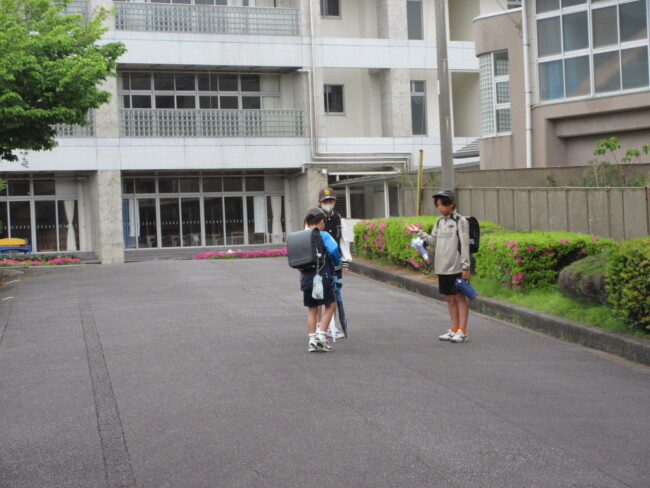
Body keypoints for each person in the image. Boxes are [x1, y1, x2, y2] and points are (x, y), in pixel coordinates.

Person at [406, 189, 471, 343]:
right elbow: (433, 241)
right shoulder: (439, 221)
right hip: (442, 266)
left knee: (459, 297)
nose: (440, 208)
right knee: (449, 298)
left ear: (452, 204)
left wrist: (465, 267)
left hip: (456, 266)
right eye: (438, 205)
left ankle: (463, 331)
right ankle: (454, 329)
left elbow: (464, 244)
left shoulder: (460, 221)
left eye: (442, 204)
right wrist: (419, 232)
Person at [300, 207, 342, 352]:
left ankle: (312, 340)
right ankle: (322, 336)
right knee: (330, 305)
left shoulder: (300, 236)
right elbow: (334, 250)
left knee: (312, 308)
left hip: (306, 277)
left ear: (307, 221)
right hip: (322, 275)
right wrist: (337, 264)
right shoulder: (323, 235)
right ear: (322, 221)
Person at [317, 187, 352, 339]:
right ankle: (319, 326)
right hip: (318, 262)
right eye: (325, 201)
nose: (328, 203)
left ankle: (332, 327)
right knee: (318, 295)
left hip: (334, 262)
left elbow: (343, 240)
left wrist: (346, 261)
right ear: (320, 202)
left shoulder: (338, 218)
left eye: (330, 200)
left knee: (334, 295)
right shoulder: (315, 216)